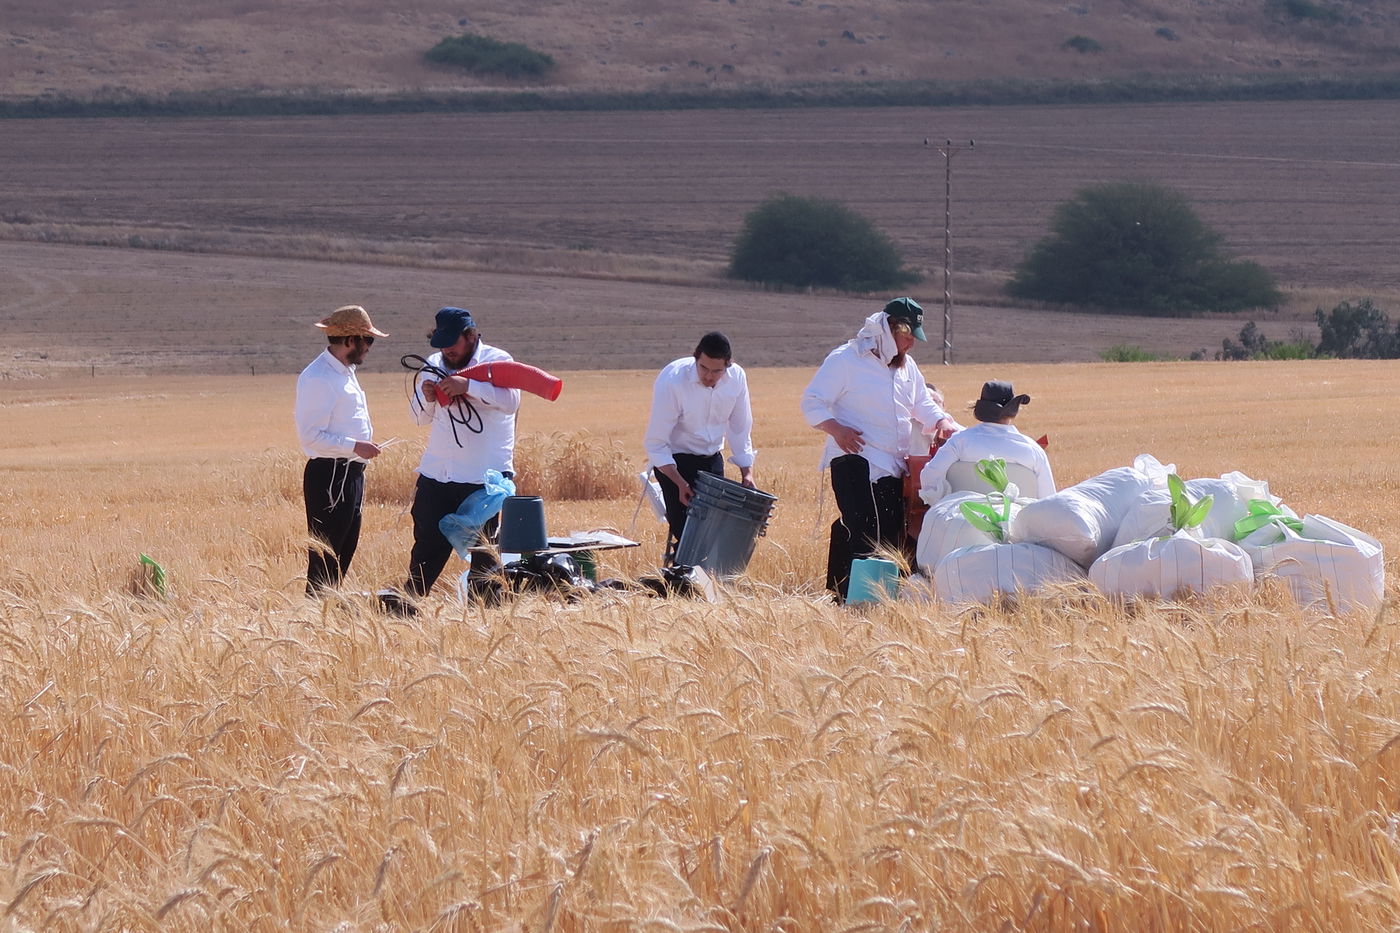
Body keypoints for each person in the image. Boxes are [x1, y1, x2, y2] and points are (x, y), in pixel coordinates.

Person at [800, 297, 960, 602]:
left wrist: (941, 420)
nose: (911, 344)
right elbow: (812, 402)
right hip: (854, 460)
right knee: (865, 534)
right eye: (908, 335)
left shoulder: (907, 367)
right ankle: (861, 606)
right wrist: (837, 429)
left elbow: (920, 404)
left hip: (892, 465)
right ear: (891, 329)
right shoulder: (845, 360)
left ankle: (864, 602)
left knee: (889, 538)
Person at [395, 306, 521, 609]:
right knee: (426, 545)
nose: (447, 350)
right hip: (438, 473)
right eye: (442, 344)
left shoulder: (498, 360)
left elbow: (511, 401)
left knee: (485, 553)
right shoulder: (433, 365)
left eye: (453, 343)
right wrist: (427, 398)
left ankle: (486, 615)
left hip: (484, 479)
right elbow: (417, 419)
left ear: (471, 335)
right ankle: (407, 607)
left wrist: (469, 386)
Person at [294, 304, 386, 596]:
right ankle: (313, 615)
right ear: (350, 340)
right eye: (367, 340)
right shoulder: (318, 377)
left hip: (352, 473)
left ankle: (326, 612)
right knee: (325, 559)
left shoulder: (345, 371)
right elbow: (310, 437)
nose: (369, 347)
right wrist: (355, 445)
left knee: (343, 553)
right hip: (331, 475)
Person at [643, 331, 757, 563]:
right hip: (674, 462)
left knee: (714, 533)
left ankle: (702, 585)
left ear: (728, 365)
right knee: (689, 533)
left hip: (711, 459)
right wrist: (680, 483)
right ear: (696, 358)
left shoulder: (737, 378)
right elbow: (656, 443)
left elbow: (739, 427)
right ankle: (682, 582)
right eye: (704, 368)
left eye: (717, 371)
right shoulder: (674, 380)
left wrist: (747, 471)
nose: (709, 376)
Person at [919, 379, 1056, 501]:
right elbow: (1048, 499)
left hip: (964, 514)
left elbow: (929, 476)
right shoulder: (1032, 450)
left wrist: (945, 499)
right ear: (1014, 410)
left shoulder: (959, 442)